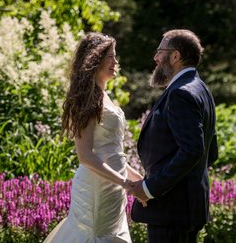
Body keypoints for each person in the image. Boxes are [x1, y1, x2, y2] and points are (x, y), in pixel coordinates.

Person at [44, 32, 143, 243]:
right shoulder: (87, 99)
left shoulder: (105, 95)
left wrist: (140, 181)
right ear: (95, 59)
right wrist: (126, 183)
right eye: (111, 56)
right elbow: (86, 155)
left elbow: (113, 153)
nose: (116, 62)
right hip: (96, 187)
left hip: (113, 187)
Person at [129, 29, 218, 243]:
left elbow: (193, 150)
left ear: (175, 56)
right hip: (186, 208)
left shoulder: (181, 93)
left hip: (172, 211)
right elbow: (210, 152)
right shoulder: (201, 90)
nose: (155, 58)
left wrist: (150, 188)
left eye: (160, 51)